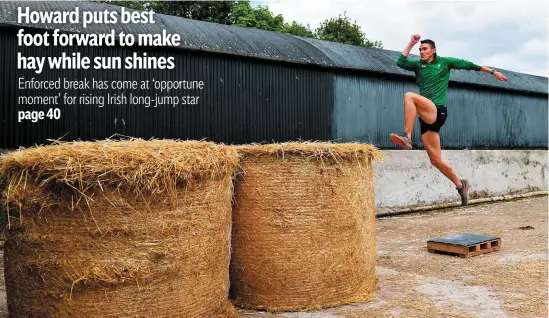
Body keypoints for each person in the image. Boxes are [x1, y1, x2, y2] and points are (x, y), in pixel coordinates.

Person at [390, 34, 508, 205]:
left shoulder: (445, 62)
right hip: (426, 119)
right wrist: (411, 43)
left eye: (424, 49)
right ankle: (461, 185)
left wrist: (493, 72)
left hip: (437, 111)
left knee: (409, 96)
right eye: (420, 49)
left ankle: (407, 137)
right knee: (435, 161)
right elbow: (400, 62)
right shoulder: (418, 65)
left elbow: (469, 65)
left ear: (433, 50)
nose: (421, 52)